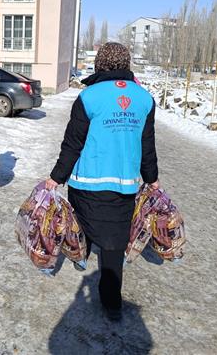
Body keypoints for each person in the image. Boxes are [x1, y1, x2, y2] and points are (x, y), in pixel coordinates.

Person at [45, 42, 159, 320]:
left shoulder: (89, 97)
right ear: (126, 63)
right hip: (124, 186)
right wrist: (152, 179)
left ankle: (80, 256)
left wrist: (56, 177)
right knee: (114, 244)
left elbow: (73, 143)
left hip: (86, 182)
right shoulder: (144, 99)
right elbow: (147, 144)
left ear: (100, 64)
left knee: (81, 225)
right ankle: (112, 303)